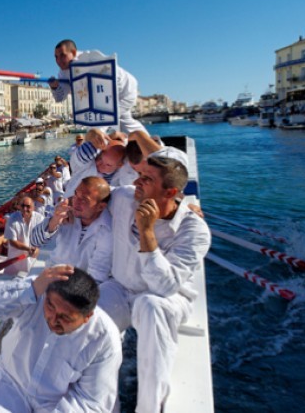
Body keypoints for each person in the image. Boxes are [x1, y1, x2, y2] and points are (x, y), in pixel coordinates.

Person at [97, 147, 211, 412]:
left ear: (171, 192)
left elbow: (165, 286)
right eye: (140, 174)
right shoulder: (125, 197)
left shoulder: (193, 230)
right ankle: (100, 404)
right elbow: (92, 193)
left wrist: (148, 232)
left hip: (167, 299)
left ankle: (150, 407)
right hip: (122, 286)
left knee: (150, 307)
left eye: (147, 179)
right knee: (90, 316)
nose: (136, 181)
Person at [0, 266, 121, 412]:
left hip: (57, 403)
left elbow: (89, 402)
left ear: (87, 317)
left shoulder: (105, 340)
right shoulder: (38, 291)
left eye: (65, 317)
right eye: (50, 306)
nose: (53, 320)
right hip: (11, 385)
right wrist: (31, 288)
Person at [49, 39, 145, 134]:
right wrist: (55, 87)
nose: (58, 60)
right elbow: (60, 97)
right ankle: (153, 144)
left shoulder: (90, 58)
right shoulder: (62, 73)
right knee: (125, 122)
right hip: (107, 98)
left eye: (62, 55)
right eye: (56, 57)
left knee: (101, 125)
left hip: (125, 90)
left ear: (73, 52)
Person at [32, 176, 113, 283]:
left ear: (101, 207)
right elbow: (35, 241)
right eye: (75, 194)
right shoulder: (65, 211)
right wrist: (54, 220)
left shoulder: (106, 230)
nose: (76, 202)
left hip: (78, 287)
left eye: (84, 199)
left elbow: (97, 275)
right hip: (50, 276)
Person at [2, 196, 43, 275]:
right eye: (23, 206)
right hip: (15, 261)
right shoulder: (12, 219)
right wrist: (29, 249)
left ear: (33, 207)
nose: (25, 209)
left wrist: (37, 248)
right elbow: (12, 242)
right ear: (19, 207)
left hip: (32, 261)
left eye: (28, 206)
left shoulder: (40, 219)